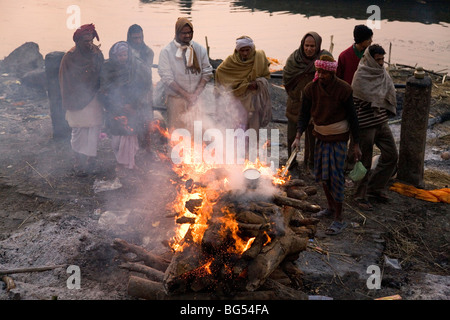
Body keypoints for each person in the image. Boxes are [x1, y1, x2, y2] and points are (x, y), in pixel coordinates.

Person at [292, 54, 362, 235]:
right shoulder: (310, 89)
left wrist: (356, 144)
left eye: (325, 72)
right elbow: (303, 115)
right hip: (320, 137)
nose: (321, 75)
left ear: (332, 72)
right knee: (323, 175)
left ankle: (339, 218)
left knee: (336, 176)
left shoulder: (344, 89)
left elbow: (353, 118)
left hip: (338, 139)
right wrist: (298, 136)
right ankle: (330, 208)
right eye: (319, 71)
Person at [351, 44, 398, 210]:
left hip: (381, 121)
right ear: (370, 59)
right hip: (365, 125)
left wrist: (381, 104)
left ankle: (375, 187)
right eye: (378, 60)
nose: (381, 63)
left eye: (382, 59)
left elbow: (387, 93)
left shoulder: (383, 74)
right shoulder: (361, 75)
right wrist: (376, 100)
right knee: (364, 162)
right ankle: (359, 195)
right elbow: (360, 99)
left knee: (392, 155)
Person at [98, 41, 152, 176]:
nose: (123, 58)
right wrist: (116, 105)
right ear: (114, 56)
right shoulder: (107, 68)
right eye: (120, 55)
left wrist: (133, 105)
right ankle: (120, 163)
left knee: (130, 135)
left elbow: (143, 87)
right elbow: (104, 89)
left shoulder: (135, 68)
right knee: (117, 137)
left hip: (132, 107)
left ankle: (130, 163)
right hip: (115, 107)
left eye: (125, 54)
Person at [59, 23, 104, 176]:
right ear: (78, 42)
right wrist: (72, 98)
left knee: (93, 130)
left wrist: (101, 93)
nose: (89, 44)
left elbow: (101, 75)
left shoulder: (97, 53)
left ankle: (91, 160)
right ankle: (78, 161)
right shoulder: (70, 57)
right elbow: (65, 81)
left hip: (94, 97)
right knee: (78, 130)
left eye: (91, 40)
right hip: (76, 99)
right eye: (85, 41)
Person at [283, 32, 330, 174]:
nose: (309, 49)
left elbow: (330, 81)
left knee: (312, 138)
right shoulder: (294, 59)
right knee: (292, 136)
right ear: (302, 45)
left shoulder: (324, 59)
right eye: (307, 45)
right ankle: (292, 163)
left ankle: (311, 164)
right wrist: (296, 94)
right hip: (295, 104)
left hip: (316, 106)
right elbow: (287, 79)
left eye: (312, 46)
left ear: (318, 46)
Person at [157, 17, 213, 134]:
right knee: (177, 133)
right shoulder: (166, 52)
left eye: (189, 32)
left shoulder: (199, 49)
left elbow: (207, 72)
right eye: (184, 33)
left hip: (197, 99)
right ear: (177, 33)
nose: (187, 36)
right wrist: (187, 96)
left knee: (197, 132)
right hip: (176, 99)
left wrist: (195, 94)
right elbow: (167, 78)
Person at [214, 36, 272, 134]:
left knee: (253, 130)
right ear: (237, 50)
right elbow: (220, 72)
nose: (245, 53)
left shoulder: (259, 57)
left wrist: (258, 82)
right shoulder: (231, 61)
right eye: (242, 50)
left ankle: (252, 149)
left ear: (252, 48)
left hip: (253, 100)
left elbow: (265, 75)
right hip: (237, 100)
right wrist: (242, 85)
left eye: (247, 50)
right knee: (238, 128)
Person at [127, 24, 155, 151]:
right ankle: (132, 150)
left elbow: (144, 72)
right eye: (135, 38)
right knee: (131, 121)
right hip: (128, 90)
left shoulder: (148, 51)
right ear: (130, 38)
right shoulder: (124, 51)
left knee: (146, 119)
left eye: (140, 38)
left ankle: (148, 149)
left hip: (144, 89)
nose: (138, 41)